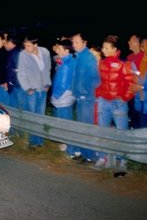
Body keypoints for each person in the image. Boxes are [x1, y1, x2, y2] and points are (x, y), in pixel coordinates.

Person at [94, 35, 137, 170]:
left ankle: (122, 160)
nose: (104, 50)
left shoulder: (124, 64)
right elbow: (98, 81)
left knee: (121, 132)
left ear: (115, 49)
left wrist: (124, 97)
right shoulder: (102, 63)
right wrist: (98, 94)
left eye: (107, 48)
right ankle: (102, 157)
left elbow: (132, 83)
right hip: (103, 101)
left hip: (118, 103)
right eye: (103, 47)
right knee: (102, 131)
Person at [17, 34, 52, 148]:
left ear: (35, 45)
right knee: (32, 116)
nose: (26, 48)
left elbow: (47, 69)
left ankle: (40, 141)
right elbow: (21, 73)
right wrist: (27, 88)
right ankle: (33, 141)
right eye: (25, 46)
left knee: (40, 116)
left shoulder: (45, 52)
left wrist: (47, 84)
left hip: (43, 89)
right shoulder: (23, 55)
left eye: (28, 46)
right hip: (32, 90)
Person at [71, 32, 101, 162]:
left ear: (85, 43)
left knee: (87, 128)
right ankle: (84, 153)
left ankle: (90, 156)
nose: (74, 44)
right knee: (82, 127)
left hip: (86, 99)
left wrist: (84, 91)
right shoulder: (78, 56)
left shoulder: (88, 58)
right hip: (79, 97)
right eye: (73, 42)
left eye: (77, 42)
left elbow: (96, 79)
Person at [50, 39, 77, 158]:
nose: (58, 51)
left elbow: (62, 83)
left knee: (66, 125)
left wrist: (55, 96)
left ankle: (72, 150)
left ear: (66, 50)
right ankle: (67, 144)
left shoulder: (66, 64)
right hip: (66, 97)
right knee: (64, 123)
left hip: (63, 98)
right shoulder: (66, 60)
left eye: (60, 49)